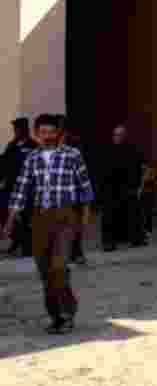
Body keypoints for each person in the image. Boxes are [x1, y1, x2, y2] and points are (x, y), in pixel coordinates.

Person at [1, 114, 95, 334]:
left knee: (59, 267)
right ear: (37, 134)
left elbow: (85, 186)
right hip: (40, 219)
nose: (47, 136)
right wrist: (9, 222)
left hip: (65, 218)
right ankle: (55, 316)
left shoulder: (72, 155)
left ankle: (67, 313)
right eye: (42, 132)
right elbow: (20, 191)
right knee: (45, 271)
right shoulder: (31, 158)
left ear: (57, 132)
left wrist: (86, 218)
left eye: (51, 132)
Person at [98, 124, 145, 251]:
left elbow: (137, 168)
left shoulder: (132, 150)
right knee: (109, 216)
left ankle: (135, 238)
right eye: (116, 135)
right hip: (110, 189)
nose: (118, 137)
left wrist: (137, 186)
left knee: (132, 214)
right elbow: (102, 171)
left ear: (125, 136)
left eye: (121, 135)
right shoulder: (107, 151)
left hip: (127, 187)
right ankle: (109, 242)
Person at [2, 117, 39, 257]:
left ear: (25, 130)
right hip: (12, 187)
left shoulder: (33, 146)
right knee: (8, 214)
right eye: (15, 129)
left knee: (26, 217)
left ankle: (27, 246)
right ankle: (17, 239)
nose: (16, 132)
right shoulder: (12, 146)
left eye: (18, 129)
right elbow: (4, 165)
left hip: (28, 188)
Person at [63, 121, 91, 266]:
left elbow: (83, 173)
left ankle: (77, 253)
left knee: (75, 226)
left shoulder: (76, 148)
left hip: (75, 194)